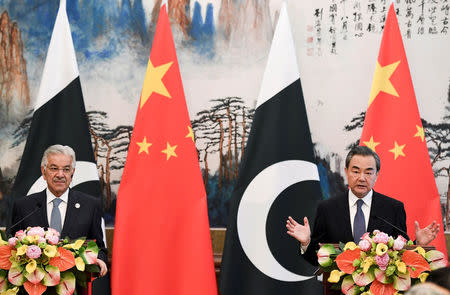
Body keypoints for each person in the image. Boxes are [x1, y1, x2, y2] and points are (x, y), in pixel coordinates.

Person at [286, 146, 440, 265]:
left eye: (368, 172)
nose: (361, 178)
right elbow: (317, 258)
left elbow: (402, 254)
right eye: (356, 171)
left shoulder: (393, 208)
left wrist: (418, 244)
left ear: (376, 175)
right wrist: (306, 242)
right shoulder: (327, 209)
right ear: (346, 172)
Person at [7, 144, 108, 276]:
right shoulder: (24, 206)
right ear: (43, 172)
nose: (60, 175)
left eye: (66, 169)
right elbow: (11, 247)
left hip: (76, 284)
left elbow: (99, 248)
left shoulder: (90, 205)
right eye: (54, 168)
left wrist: (99, 259)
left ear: (72, 173)